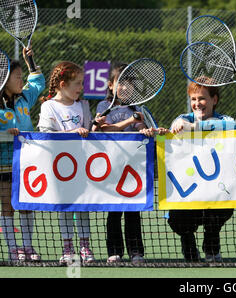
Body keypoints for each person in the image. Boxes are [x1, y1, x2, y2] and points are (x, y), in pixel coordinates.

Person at [93, 62, 162, 264]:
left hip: (133, 167)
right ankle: (114, 251)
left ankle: (136, 252)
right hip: (110, 166)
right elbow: (105, 129)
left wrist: (143, 129)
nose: (125, 87)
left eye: (129, 83)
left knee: (133, 211)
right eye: (120, 83)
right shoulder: (103, 107)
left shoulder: (137, 108)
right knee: (113, 212)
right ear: (110, 85)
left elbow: (141, 125)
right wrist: (130, 121)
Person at [164, 77, 235, 262]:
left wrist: (195, 127)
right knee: (177, 219)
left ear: (215, 100)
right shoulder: (183, 119)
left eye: (202, 98)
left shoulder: (224, 121)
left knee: (219, 213)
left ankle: (212, 247)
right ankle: (188, 242)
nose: (197, 103)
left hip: (216, 192)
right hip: (188, 192)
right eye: (193, 99)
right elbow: (176, 125)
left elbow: (233, 125)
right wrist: (180, 126)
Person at [37, 61, 96, 265]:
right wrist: (72, 132)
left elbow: (90, 131)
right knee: (64, 208)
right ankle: (67, 247)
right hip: (58, 168)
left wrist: (96, 127)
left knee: (82, 207)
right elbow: (45, 134)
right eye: (77, 83)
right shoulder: (48, 106)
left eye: (82, 83)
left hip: (82, 167)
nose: (81, 88)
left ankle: (85, 246)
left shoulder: (84, 106)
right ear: (63, 84)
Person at [0, 47, 45, 262]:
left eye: (21, 76)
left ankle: (28, 246)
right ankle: (13, 249)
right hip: (4, 164)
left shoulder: (25, 98)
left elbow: (38, 83)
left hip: (27, 163)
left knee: (26, 204)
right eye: (17, 77)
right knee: (7, 205)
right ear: (4, 80)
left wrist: (30, 63)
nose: (21, 80)